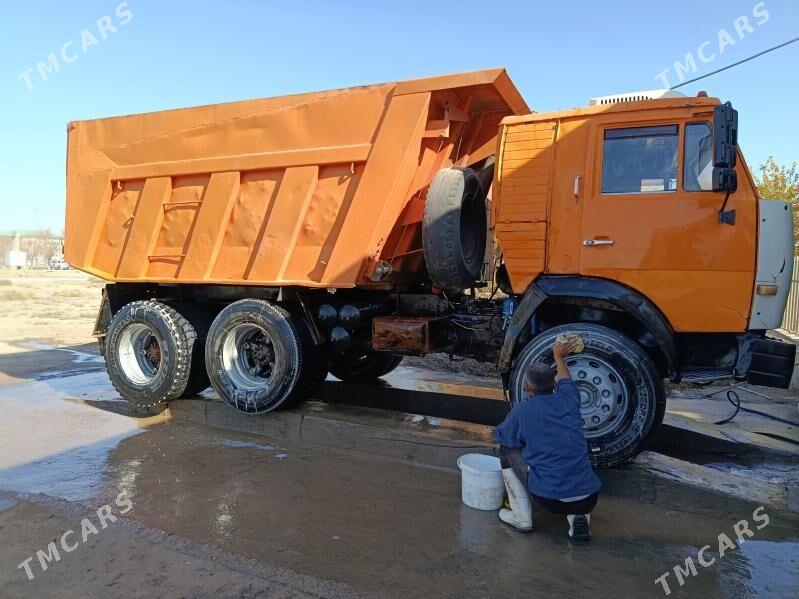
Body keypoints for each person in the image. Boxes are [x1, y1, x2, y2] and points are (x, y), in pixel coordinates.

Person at [494, 337, 601, 541]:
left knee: (506, 450)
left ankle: (521, 517)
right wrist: (558, 357)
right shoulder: (569, 399)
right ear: (554, 383)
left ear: (527, 389)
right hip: (589, 498)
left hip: (550, 500)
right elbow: (566, 380)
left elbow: (503, 436)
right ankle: (579, 518)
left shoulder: (522, 411)